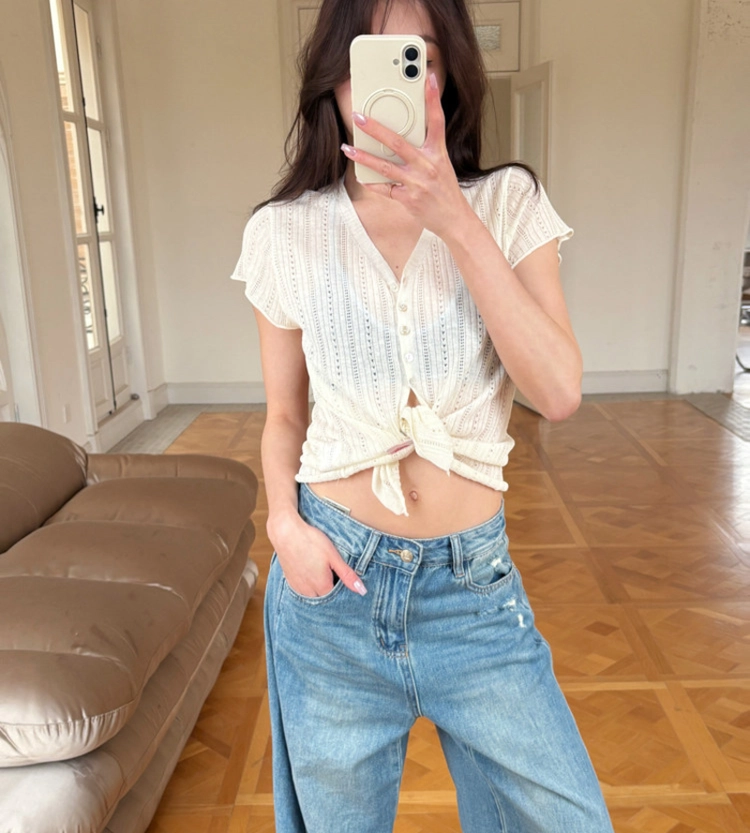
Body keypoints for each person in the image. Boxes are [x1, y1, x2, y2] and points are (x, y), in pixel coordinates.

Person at [230, 1, 615, 830]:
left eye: (420, 58)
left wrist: (451, 215)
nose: (394, 84)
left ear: (448, 74)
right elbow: (284, 416)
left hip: (472, 595)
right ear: (333, 76)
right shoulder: (284, 233)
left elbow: (557, 392)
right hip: (331, 588)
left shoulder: (506, 203)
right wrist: (284, 528)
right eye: (367, 59)